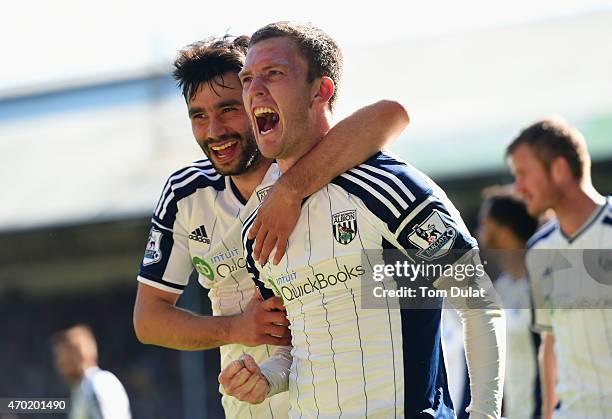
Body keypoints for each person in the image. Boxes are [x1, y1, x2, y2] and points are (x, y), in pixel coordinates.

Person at [219, 22, 505, 418]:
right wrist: (265, 378)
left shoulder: (388, 186)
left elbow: (479, 303)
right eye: (248, 78)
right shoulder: (258, 229)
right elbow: (294, 351)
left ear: (320, 91)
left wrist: (485, 413)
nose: (254, 89)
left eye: (274, 74)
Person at [132, 35, 410, 418]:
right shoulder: (185, 195)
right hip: (246, 408)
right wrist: (234, 329)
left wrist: (290, 190)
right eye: (198, 115)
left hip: (336, 403)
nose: (214, 131)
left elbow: (390, 115)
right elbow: (148, 321)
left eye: (228, 109)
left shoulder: (312, 164)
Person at [506, 117, 612, 419]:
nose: (518, 187)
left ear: (560, 169)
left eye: (524, 174)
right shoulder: (539, 251)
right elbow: (550, 342)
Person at [478, 190, 541, 419]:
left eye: (486, 225)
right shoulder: (501, 288)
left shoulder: (542, 284)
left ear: (504, 232)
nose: (479, 233)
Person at [52, 324, 132, 419]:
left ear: (80, 355)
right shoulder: (81, 389)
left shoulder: (98, 383)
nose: (60, 365)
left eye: (63, 358)